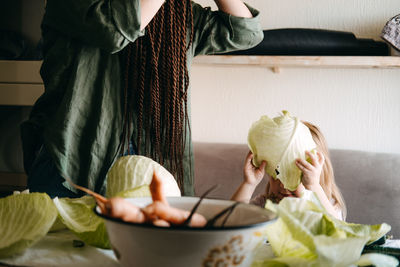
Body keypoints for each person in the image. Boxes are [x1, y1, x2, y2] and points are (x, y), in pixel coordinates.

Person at [20, 0, 263, 198]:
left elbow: (245, 32)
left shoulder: (176, 15)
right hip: (71, 163)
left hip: (146, 171)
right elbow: (114, 32)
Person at [231, 122, 346, 220]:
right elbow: (229, 219)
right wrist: (249, 184)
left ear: (318, 175)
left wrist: (314, 186)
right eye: (276, 173)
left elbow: (342, 233)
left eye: (295, 176)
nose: (282, 185)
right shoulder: (266, 204)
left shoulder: (327, 204)